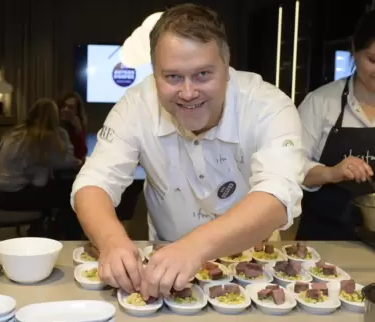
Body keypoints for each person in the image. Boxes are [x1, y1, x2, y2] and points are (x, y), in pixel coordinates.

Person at [71, 3, 304, 300]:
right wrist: (111, 241)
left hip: (254, 265)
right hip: (161, 267)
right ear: (154, 73)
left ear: (227, 66)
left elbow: (278, 195)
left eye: (203, 74)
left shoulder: (269, 105)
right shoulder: (136, 104)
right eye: (172, 77)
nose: (188, 92)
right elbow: (93, 182)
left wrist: (195, 247)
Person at [296, 10, 375, 241]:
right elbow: (291, 169)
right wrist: (332, 172)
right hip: (324, 242)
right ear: (354, 49)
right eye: (372, 60)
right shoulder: (320, 102)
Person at [0, 98, 82, 237]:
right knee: (71, 194)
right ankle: (62, 237)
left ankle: (42, 229)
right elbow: (64, 163)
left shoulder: (15, 133)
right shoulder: (40, 138)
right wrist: (65, 135)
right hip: (12, 196)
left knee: (54, 189)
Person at [58, 92, 88, 161]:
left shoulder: (77, 125)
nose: (65, 109)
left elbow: (81, 154)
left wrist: (78, 131)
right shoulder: (54, 125)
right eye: (63, 106)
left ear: (77, 111)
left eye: (70, 107)